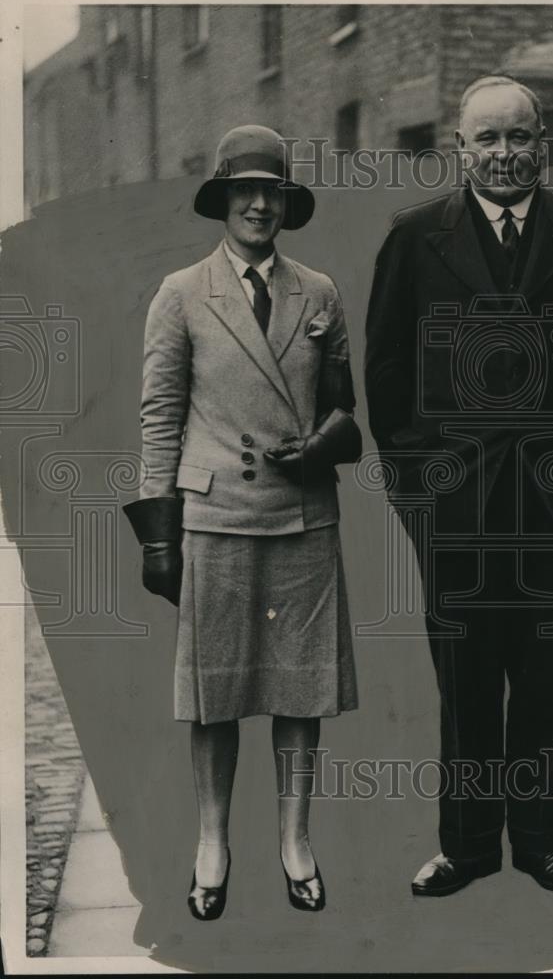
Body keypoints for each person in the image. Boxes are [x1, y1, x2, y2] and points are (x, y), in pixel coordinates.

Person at [365, 76, 553, 896]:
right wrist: (415, 482)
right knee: (466, 676)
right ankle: (468, 847)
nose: (505, 154)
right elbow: (385, 369)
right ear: (461, 147)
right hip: (454, 503)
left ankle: (541, 844)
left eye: (519, 137)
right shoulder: (415, 238)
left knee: (551, 675)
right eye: (487, 139)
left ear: (543, 144)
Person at [123, 125, 361, 919]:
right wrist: (159, 533)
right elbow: (159, 416)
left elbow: (343, 406)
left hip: (301, 517)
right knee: (214, 696)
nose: (259, 204)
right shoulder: (181, 293)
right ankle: (212, 843)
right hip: (216, 515)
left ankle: (295, 841)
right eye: (245, 191)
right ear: (223, 200)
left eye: (273, 193)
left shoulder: (319, 292)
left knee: (300, 693)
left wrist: (323, 443)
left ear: (287, 205)